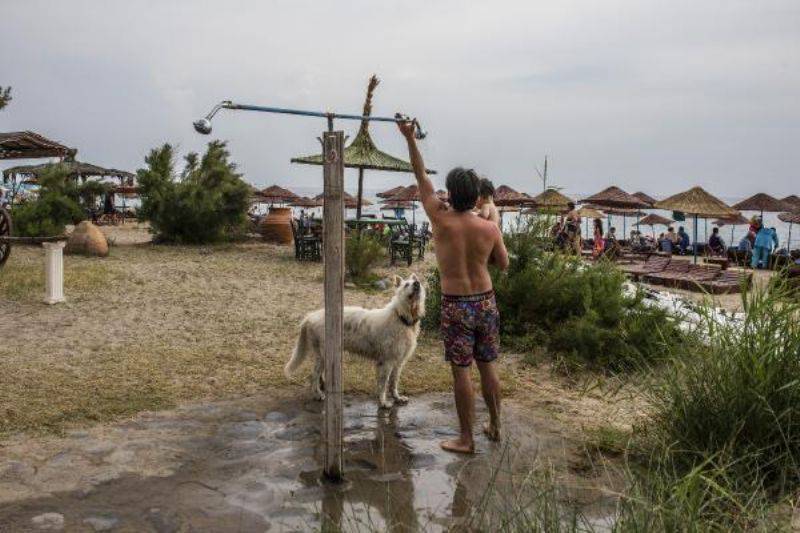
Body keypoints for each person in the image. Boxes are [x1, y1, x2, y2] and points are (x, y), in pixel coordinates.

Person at [398, 118, 509, 454]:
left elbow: (421, 177)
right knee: (488, 366)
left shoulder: (440, 218)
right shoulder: (489, 228)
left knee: (461, 373)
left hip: (456, 303)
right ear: (476, 195)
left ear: (451, 193)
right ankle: (495, 424)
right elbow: (503, 263)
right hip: (485, 301)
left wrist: (410, 138)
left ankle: (466, 438)